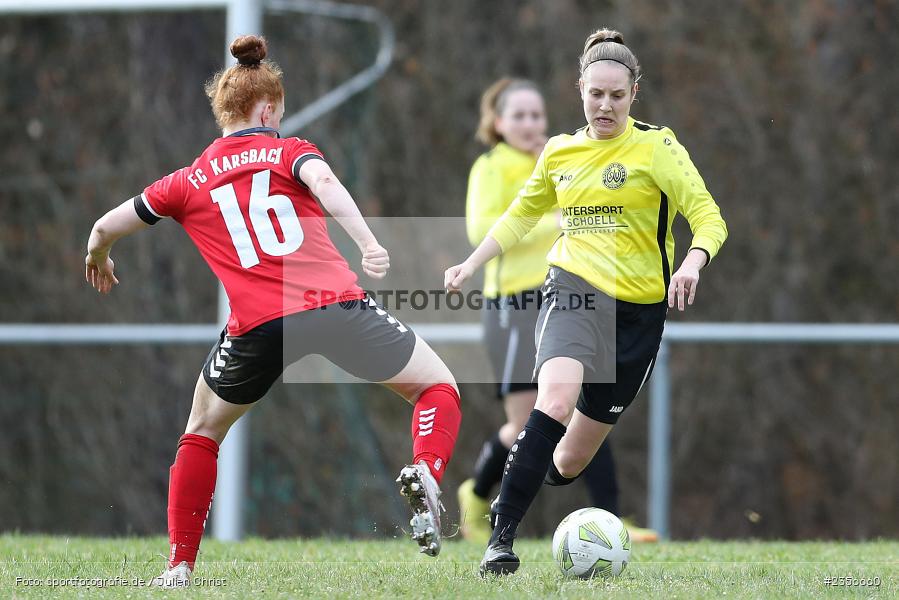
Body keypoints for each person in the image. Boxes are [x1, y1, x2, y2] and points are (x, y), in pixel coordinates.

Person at [84, 36, 461, 587]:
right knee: (437, 386)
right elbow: (325, 182)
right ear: (268, 110)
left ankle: (179, 568)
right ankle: (426, 471)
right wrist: (368, 243)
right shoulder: (290, 151)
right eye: (278, 115)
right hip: (334, 306)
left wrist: (98, 255)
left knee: (202, 431)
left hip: (259, 326)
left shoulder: (186, 181)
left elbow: (103, 227)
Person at [444, 28, 728, 576]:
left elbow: (710, 217)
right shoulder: (559, 151)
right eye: (595, 94)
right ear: (579, 89)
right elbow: (520, 215)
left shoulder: (657, 148)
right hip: (573, 287)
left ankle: (549, 492)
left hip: (640, 313)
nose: (605, 105)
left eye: (617, 96)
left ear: (634, 93)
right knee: (552, 398)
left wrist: (691, 263)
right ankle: (500, 543)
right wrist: (471, 264)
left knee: (569, 461)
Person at [457, 78, 657, 545]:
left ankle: (611, 517)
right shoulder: (492, 166)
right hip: (516, 305)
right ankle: (477, 494)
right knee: (529, 419)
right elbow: (481, 228)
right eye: (519, 116)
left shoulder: (566, 157)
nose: (531, 125)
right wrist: (558, 221)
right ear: (497, 123)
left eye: (537, 115)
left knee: (584, 406)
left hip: (570, 298)